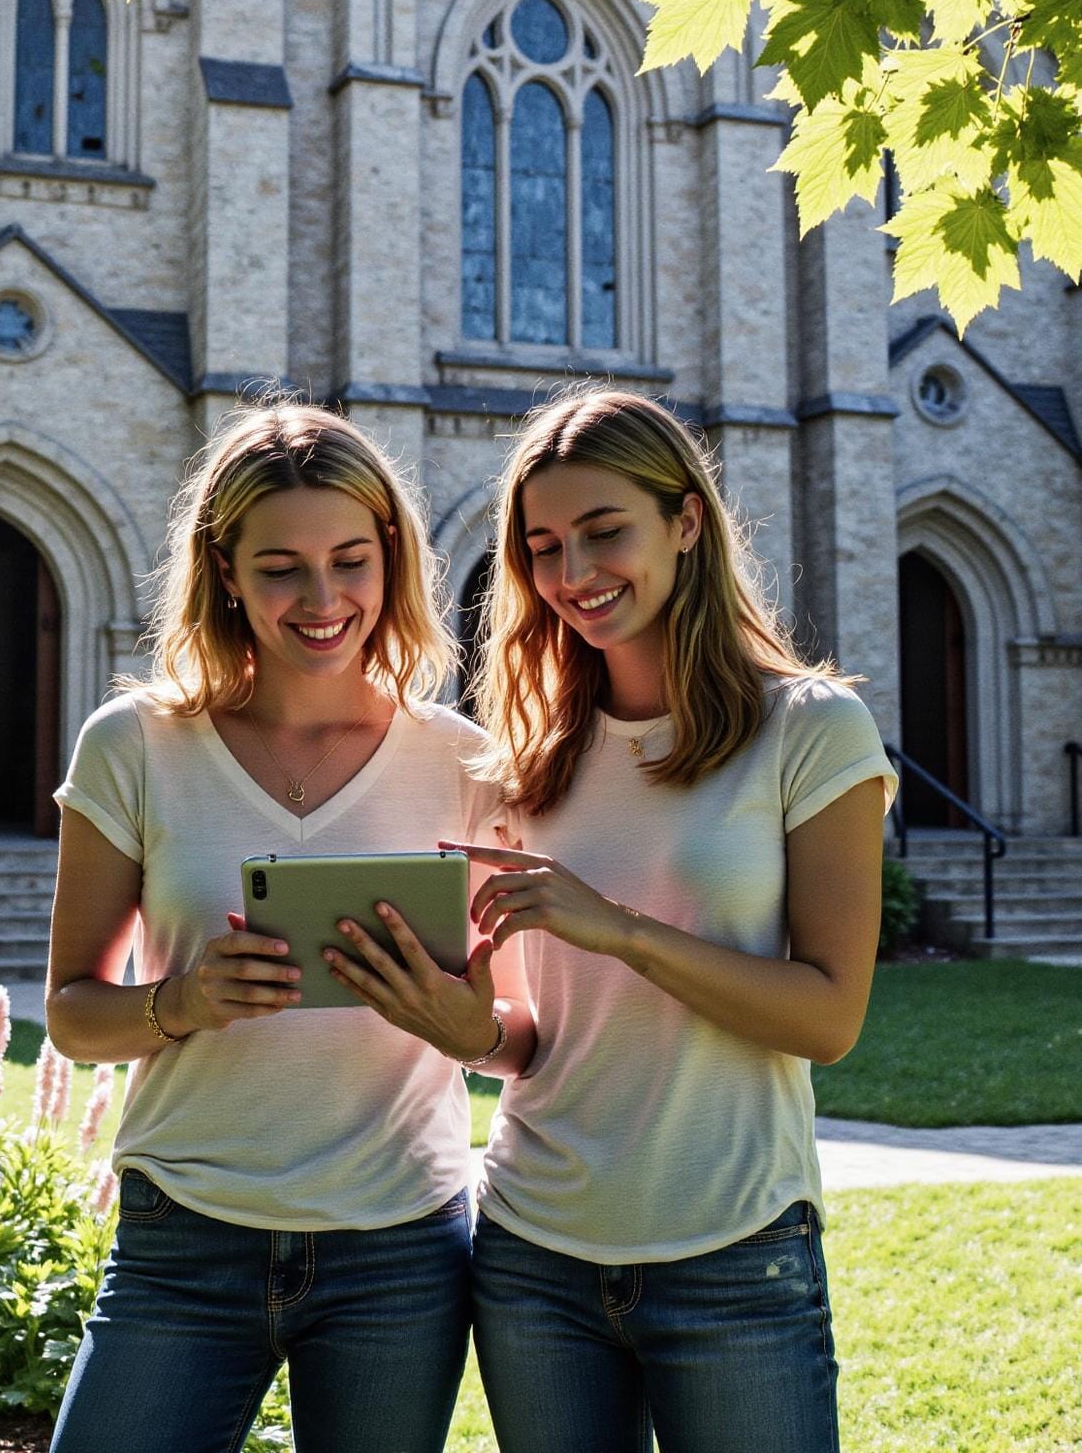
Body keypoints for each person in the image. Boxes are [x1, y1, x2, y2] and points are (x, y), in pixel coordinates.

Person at [44, 401, 528, 1453]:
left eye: (350, 560)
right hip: (185, 1235)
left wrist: (466, 1027)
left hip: (399, 1249)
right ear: (223, 568)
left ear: (391, 557)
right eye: (279, 568)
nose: (321, 599)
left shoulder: (462, 759)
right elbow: (74, 1017)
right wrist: (183, 1001)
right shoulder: (134, 743)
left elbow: (519, 1033)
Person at [447, 388, 896, 1453]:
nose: (573, 572)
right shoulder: (522, 756)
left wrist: (621, 929)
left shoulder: (810, 728)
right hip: (533, 1252)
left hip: (733, 1248)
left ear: (686, 519)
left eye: (605, 531)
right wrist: (458, 1024)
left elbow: (828, 1017)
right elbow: (529, 1038)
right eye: (543, 547)